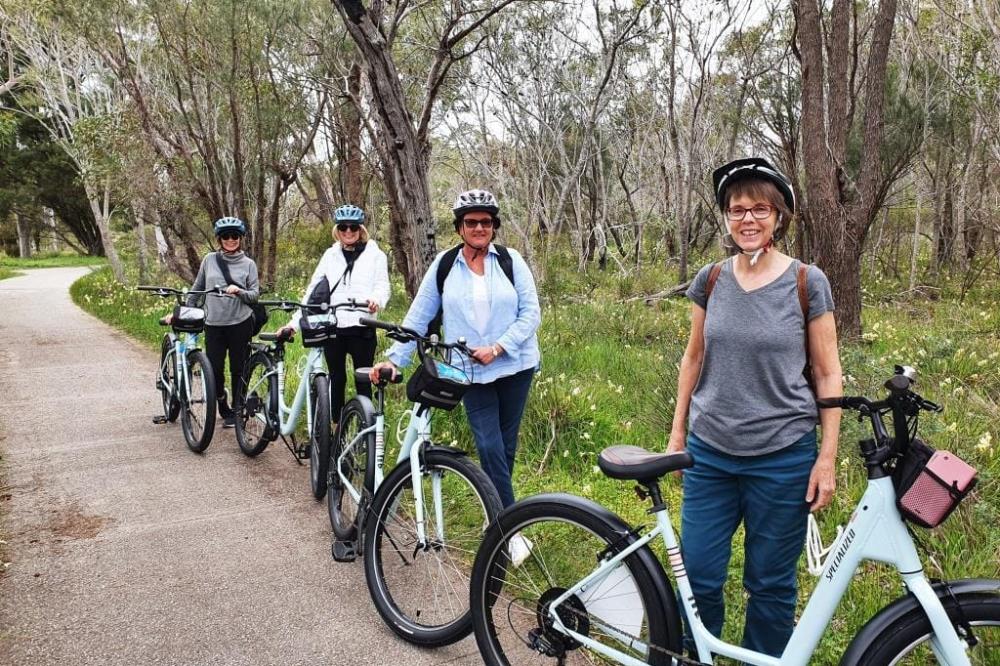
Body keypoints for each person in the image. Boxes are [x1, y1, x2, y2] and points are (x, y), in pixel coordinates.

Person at [666, 157, 843, 657]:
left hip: (783, 457)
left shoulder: (809, 282)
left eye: (759, 209)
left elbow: (828, 372)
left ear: (778, 216)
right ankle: (697, 656)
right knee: (697, 577)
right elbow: (694, 356)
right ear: (726, 217)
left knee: (770, 587)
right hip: (710, 455)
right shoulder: (711, 279)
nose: (747, 219)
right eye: (737, 209)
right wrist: (678, 433)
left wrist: (825, 459)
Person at [369, 189, 541, 562]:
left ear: (493, 226)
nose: (479, 227)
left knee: (505, 450)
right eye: (471, 222)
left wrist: (498, 347)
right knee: (490, 447)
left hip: (515, 366)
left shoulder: (512, 261)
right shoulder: (445, 266)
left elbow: (531, 314)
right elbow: (419, 316)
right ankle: (509, 533)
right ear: (460, 227)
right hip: (469, 372)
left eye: (485, 222)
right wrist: (395, 359)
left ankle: (494, 518)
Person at [278, 204, 390, 426]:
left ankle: (365, 431)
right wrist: (293, 324)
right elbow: (312, 292)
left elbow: (382, 286)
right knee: (337, 379)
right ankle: (335, 429)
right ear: (337, 230)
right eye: (343, 227)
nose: (348, 232)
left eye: (353, 227)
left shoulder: (375, 255)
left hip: (362, 325)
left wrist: (376, 300)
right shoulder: (330, 255)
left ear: (361, 229)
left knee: (364, 379)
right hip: (335, 325)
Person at [180, 216, 260, 428]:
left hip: (240, 323)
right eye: (226, 236)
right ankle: (222, 402)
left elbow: (254, 295)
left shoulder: (249, 264)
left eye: (235, 235)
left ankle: (237, 409)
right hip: (214, 324)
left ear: (241, 238)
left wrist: (240, 292)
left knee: (238, 369)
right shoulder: (209, 260)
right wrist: (186, 310)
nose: (231, 239)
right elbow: (197, 288)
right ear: (219, 239)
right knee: (213, 370)